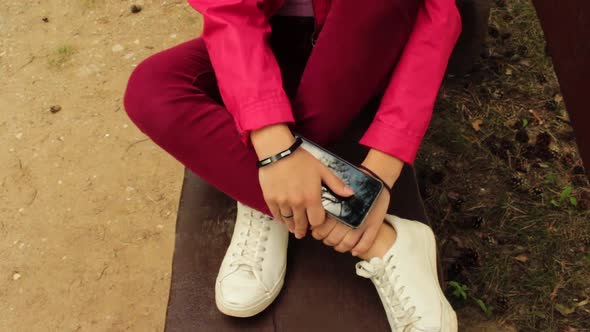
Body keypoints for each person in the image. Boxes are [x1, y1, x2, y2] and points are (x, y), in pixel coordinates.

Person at [124, 0, 462, 330]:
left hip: (362, 43)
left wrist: (380, 172)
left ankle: (282, 198)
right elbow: (228, 8)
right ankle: (383, 239)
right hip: (266, 39)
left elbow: (437, 15)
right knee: (151, 89)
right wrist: (274, 148)